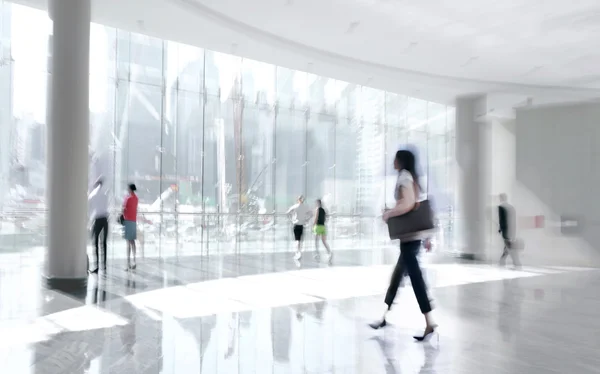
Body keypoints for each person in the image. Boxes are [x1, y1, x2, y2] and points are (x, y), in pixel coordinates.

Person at [370, 149, 437, 341]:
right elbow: (415, 205)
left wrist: (389, 213)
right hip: (411, 237)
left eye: (395, 159)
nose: (393, 162)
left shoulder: (405, 177)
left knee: (415, 279)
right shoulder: (411, 177)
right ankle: (384, 316)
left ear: (401, 161)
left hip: (409, 238)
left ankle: (429, 322)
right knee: (397, 277)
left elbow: (408, 204)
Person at [88, 177, 109, 273]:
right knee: (103, 243)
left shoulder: (92, 195)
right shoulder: (105, 194)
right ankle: (104, 265)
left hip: (97, 219)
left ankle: (96, 266)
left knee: (95, 242)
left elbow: (90, 208)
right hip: (105, 219)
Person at [498, 193, 521, 268]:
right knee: (508, 246)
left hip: (505, 230)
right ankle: (503, 260)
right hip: (512, 230)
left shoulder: (501, 207)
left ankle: (515, 261)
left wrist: (500, 229)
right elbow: (514, 220)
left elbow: (501, 220)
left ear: (501, 198)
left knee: (509, 246)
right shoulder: (511, 207)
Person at [287, 195, 311, 260]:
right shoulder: (305, 207)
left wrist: (292, 220)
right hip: (302, 225)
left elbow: (288, 212)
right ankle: (299, 252)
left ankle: (298, 253)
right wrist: (306, 220)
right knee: (300, 240)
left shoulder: (295, 206)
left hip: (296, 224)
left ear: (298, 199)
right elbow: (311, 214)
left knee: (297, 240)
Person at [122, 183, 138, 270]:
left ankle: (128, 264)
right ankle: (134, 261)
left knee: (128, 242)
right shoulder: (136, 198)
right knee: (133, 242)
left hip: (128, 220)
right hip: (134, 220)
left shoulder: (127, 198)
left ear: (130, 189)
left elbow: (123, 208)